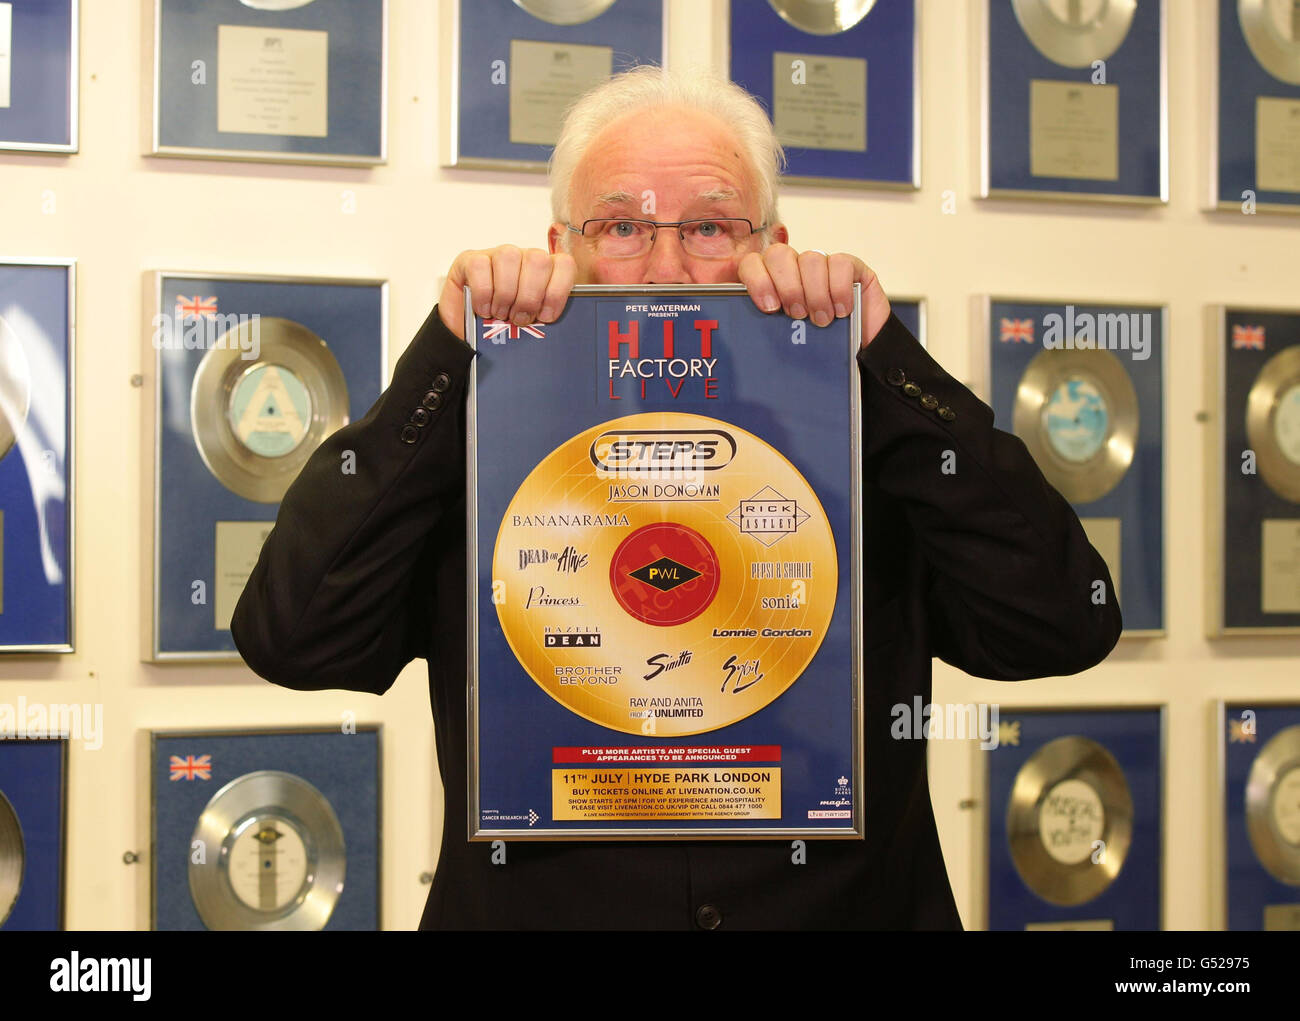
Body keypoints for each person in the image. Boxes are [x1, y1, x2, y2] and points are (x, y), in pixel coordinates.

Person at [232, 66, 1122, 929]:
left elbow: (1059, 627)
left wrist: (885, 357)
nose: (665, 261)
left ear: (772, 248)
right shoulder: (469, 440)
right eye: (619, 225)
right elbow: (296, 639)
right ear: (560, 252)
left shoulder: (869, 436)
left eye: (709, 226)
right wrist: (448, 360)